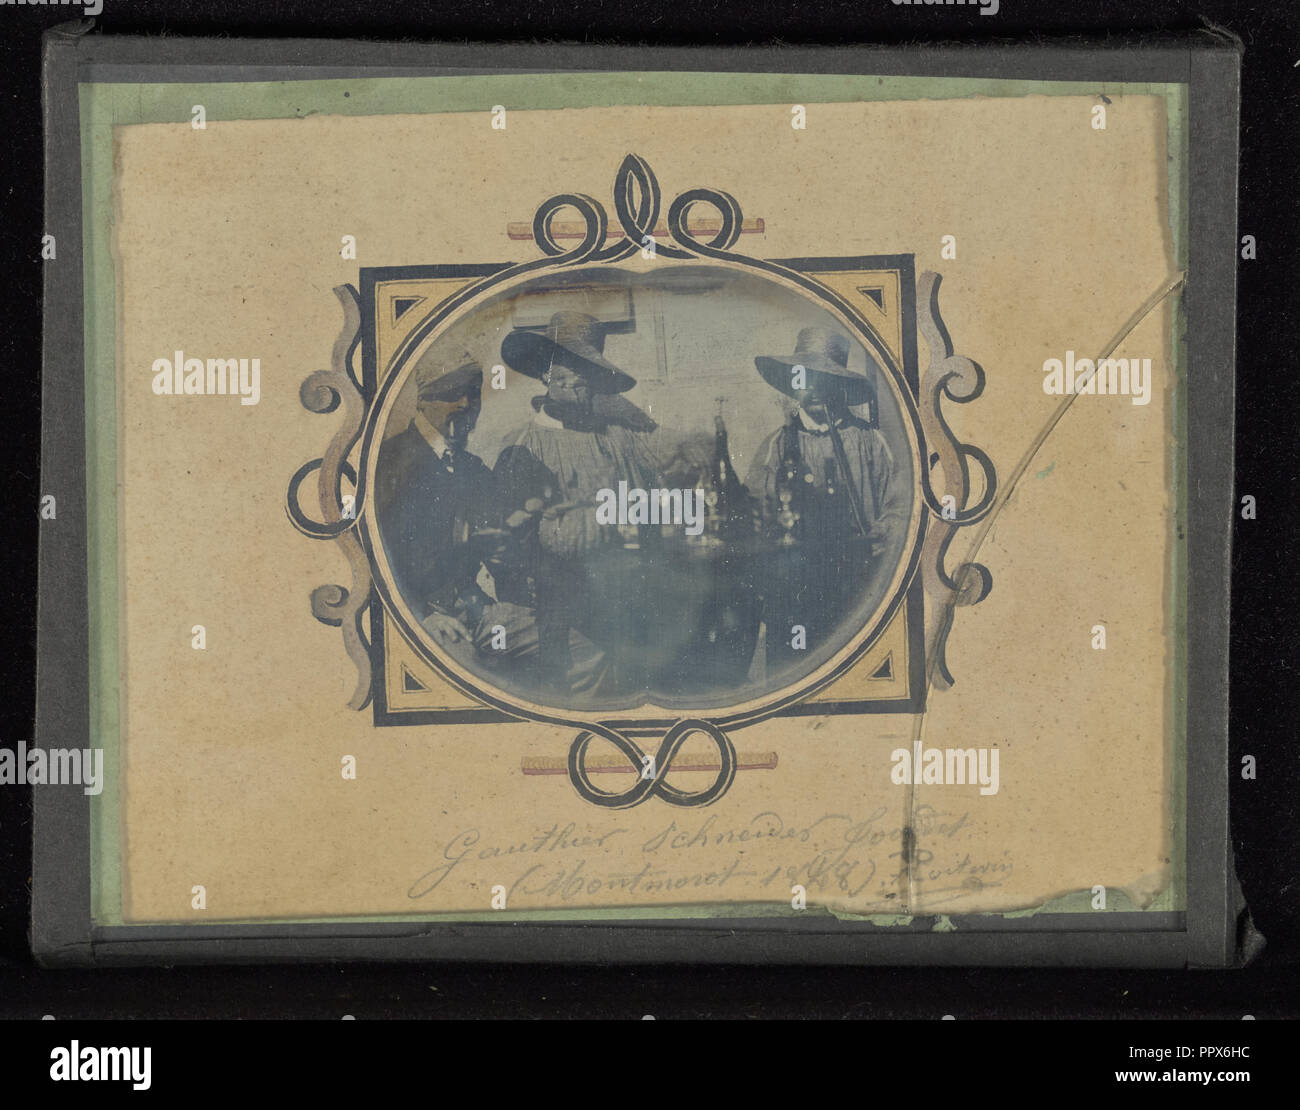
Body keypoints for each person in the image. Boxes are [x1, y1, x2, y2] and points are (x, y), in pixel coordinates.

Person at [493, 311, 663, 696]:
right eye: (565, 378)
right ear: (546, 378)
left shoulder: (613, 439)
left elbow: (643, 512)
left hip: (621, 588)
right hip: (559, 602)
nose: (574, 390)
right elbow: (510, 543)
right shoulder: (524, 445)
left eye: (584, 382)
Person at [746, 326, 909, 670]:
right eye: (807, 378)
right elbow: (754, 515)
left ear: (840, 385)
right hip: (794, 591)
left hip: (855, 584)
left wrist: (879, 539)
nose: (816, 389)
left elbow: (899, 508)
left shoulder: (870, 442)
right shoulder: (775, 447)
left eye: (826, 378)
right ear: (794, 383)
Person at [373, 354, 497, 648]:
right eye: (452, 394)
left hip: (475, 608)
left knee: (581, 649)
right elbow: (374, 554)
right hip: (416, 617)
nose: (465, 404)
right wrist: (422, 614)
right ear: (423, 401)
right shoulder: (387, 463)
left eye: (472, 393)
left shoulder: (473, 467)